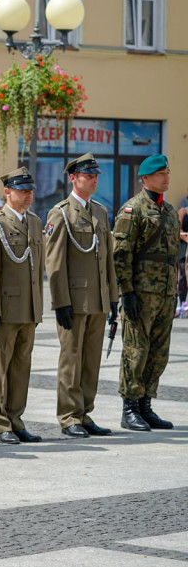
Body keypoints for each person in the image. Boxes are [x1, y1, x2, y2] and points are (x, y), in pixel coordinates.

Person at [45, 154, 118, 437]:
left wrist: (112, 296)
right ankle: (69, 416)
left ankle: (85, 412)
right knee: (71, 358)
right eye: (88, 175)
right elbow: (55, 263)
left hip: (98, 299)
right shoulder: (61, 213)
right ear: (73, 178)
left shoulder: (99, 212)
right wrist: (60, 301)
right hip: (74, 300)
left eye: (95, 175)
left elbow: (107, 259)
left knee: (91, 359)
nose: (94, 179)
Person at [0, 167, 45, 444]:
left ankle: (16, 419)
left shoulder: (35, 223)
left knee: (21, 367)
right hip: (4, 309)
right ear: (7, 192)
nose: (27, 195)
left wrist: (37, 306)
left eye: (30, 191)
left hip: (27, 309)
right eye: (21, 190)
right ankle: (1, 423)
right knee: (0, 368)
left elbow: (37, 269)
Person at [113, 154, 178, 431]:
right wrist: (126, 292)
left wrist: (174, 291)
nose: (166, 177)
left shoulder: (171, 211)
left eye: (167, 172)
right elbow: (120, 254)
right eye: (161, 173)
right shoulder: (133, 210)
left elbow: (173, 255)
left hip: (164, 293)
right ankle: (129, 407)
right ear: (146, 178)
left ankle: (145, 405)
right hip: (140, 293)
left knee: (158, 352)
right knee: (135, 351)